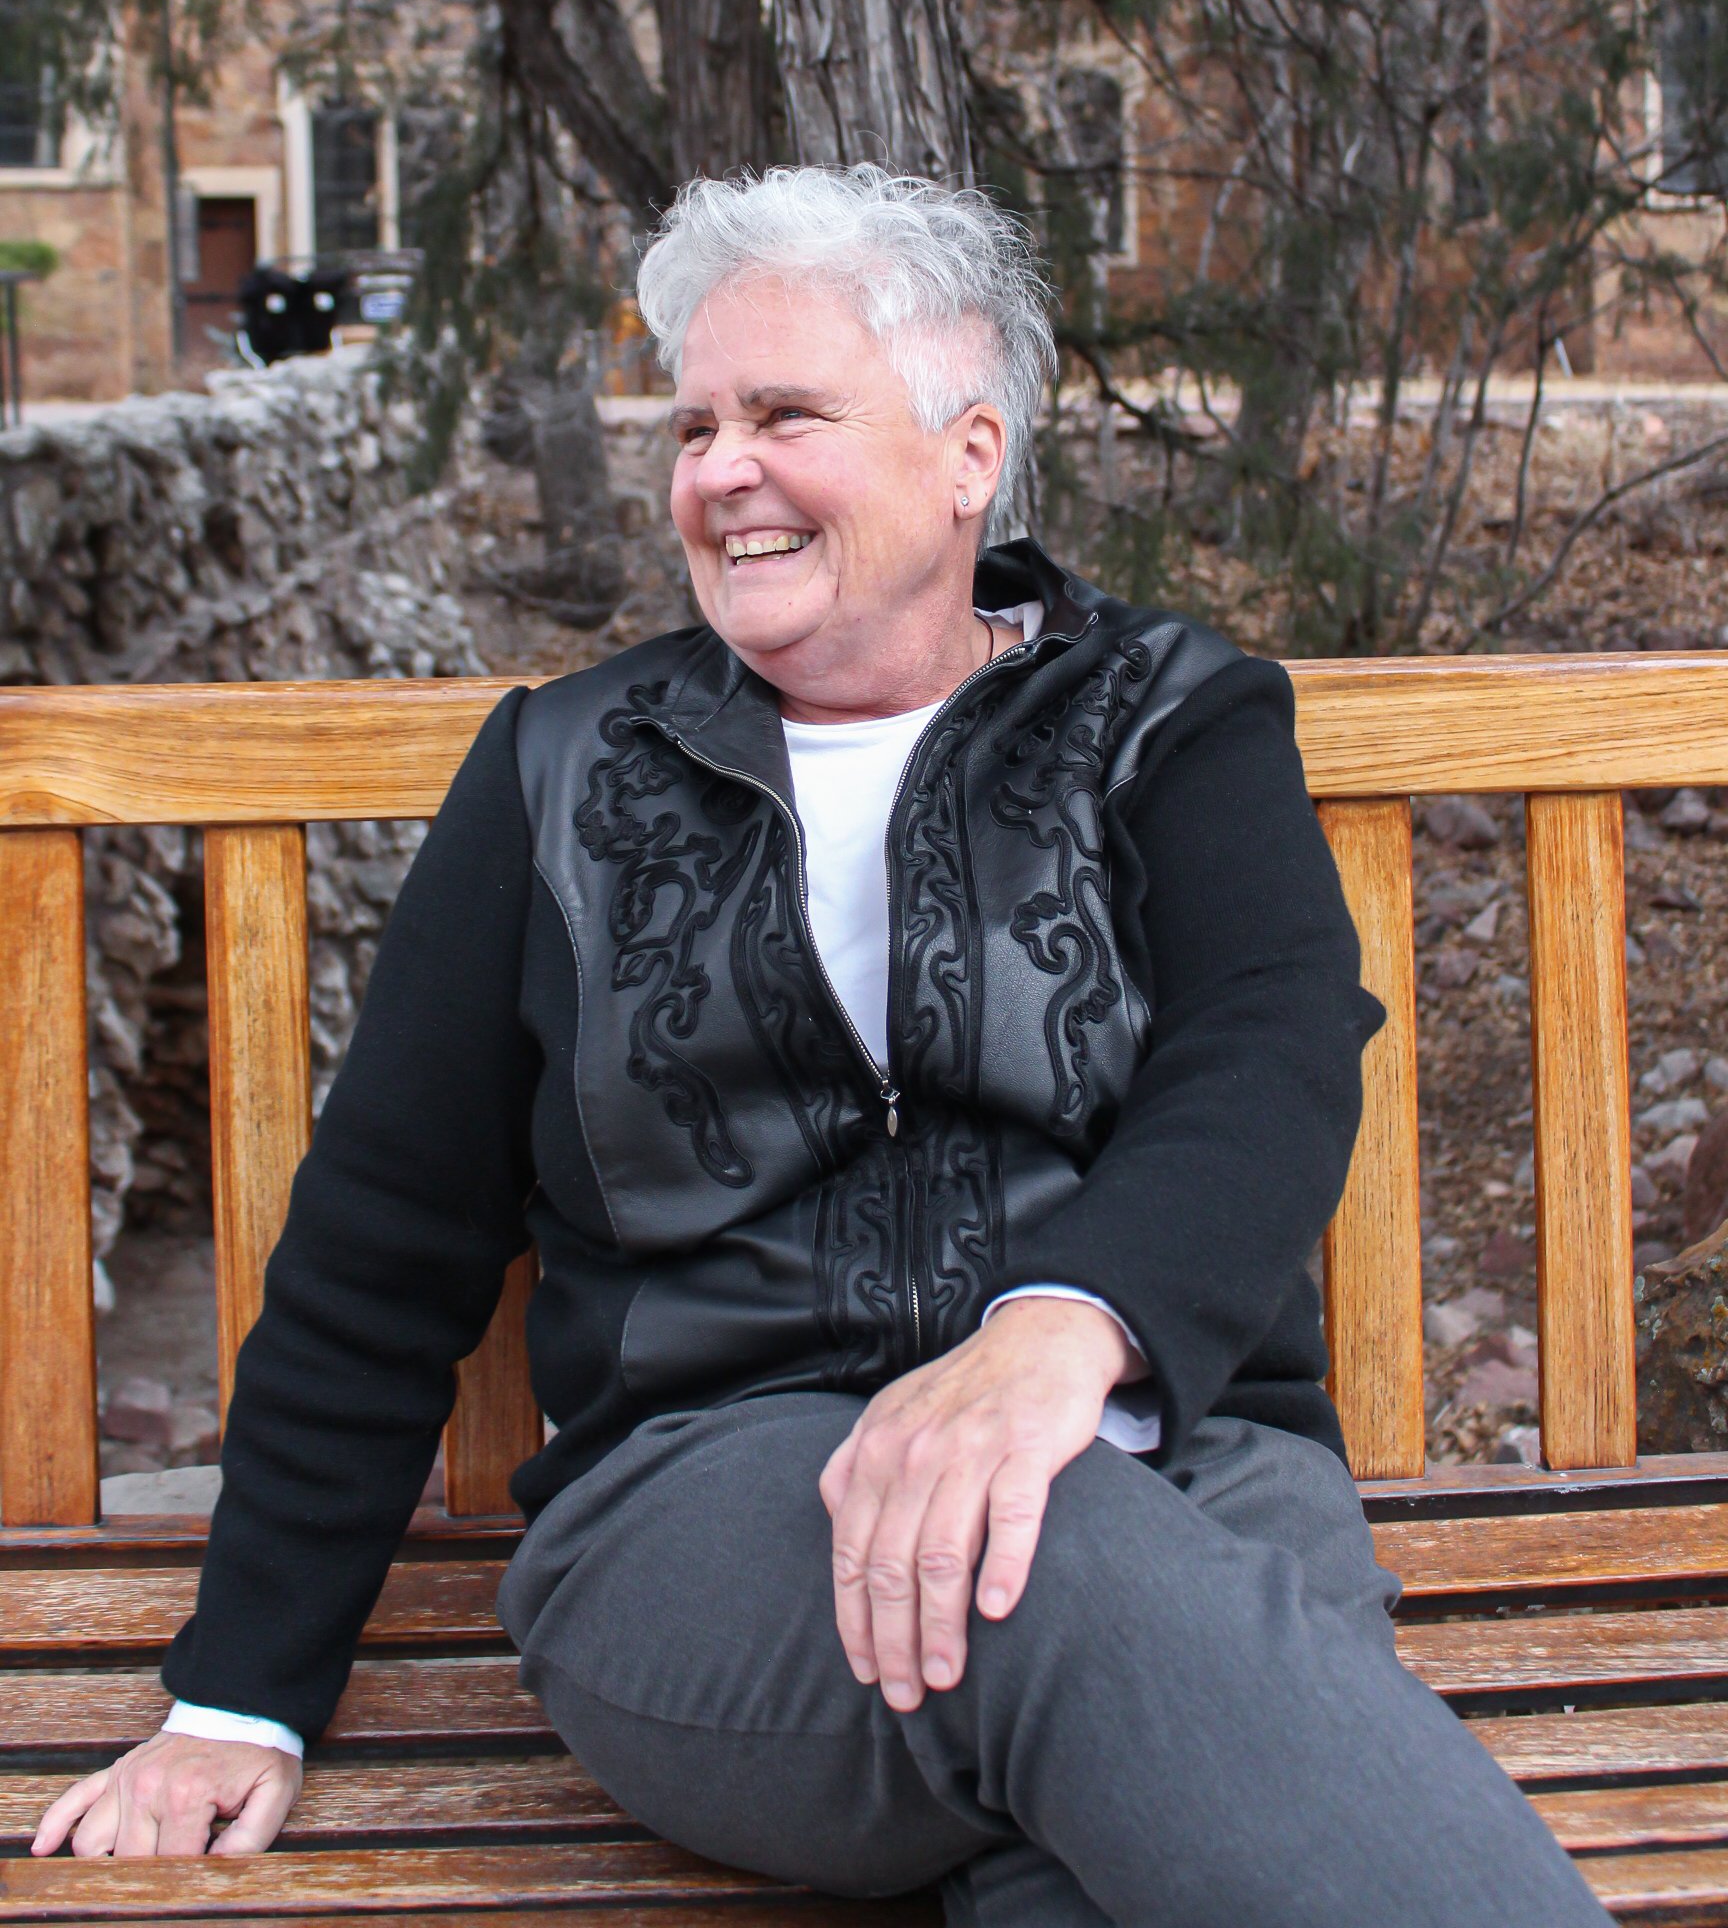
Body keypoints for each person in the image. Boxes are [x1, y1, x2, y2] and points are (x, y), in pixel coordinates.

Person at [34, 166, 1606, 1925]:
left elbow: (1271, 1052)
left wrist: (1055, 1339)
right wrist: (239, 1689)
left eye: (785, 412)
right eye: (696, 422)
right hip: (713, 1517)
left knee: (1103, 1783)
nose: (719, 469)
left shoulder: (1168, 718)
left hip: (1185, 1461)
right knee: (1065, 1557)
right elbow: (382, 1237)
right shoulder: (562, 776)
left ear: (969, 456)